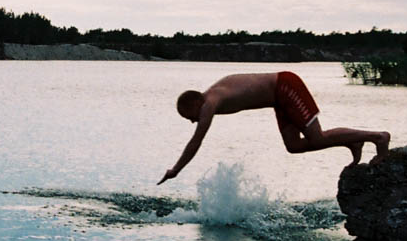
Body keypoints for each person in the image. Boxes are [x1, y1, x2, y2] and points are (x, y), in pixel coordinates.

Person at [157, 71, 389, 185]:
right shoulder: (210, 98)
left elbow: (195, 141)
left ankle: (377, 137)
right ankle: (351, 140)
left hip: (286, 86)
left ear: (195, 102)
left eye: (190, 116)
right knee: (294, 146)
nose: (192, 121)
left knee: (316, 138)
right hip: (278, 99)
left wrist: (176, 169)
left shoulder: (209, 103)